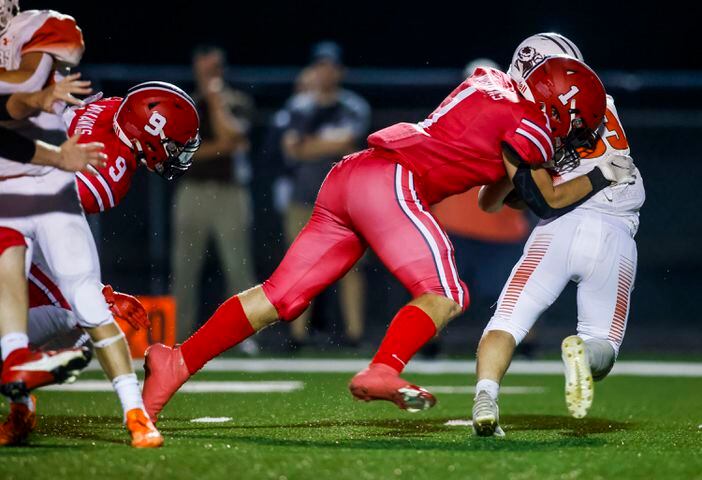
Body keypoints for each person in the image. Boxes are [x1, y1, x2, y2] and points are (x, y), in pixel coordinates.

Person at [142, 55, 632, 422]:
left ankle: (177, 361)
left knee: (279, 296)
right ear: (560, 104)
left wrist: (531, 178)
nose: (577, 131)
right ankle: (382, 367)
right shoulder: (532, 125)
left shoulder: (489, 84)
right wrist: (600, 177)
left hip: (350, 176)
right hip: (392, 183)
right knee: (445, 292)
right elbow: (543, 201)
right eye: (578, 120)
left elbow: (492, 196)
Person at [0, 80, 200, 448]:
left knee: (61, 314)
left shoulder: (114, 108)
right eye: (173, 144)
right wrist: (100, 295)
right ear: (148, 133)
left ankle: (20, 398)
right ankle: (26, 392)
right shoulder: (111, 174)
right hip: (23, 204)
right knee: (74, 315)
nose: (177, 153)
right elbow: (50, 220)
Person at [471, 33, 645, 437]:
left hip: (558, 228)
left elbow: (496, 201)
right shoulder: (599, 101)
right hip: (616, 229)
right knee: (603, 343)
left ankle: (485, 394)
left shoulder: (526, 118)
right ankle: (584, 353)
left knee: (507, 320)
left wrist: (509, 165)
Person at [279, 42, 371, 347]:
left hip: (344, 199)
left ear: (340, 71)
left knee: (352, 268)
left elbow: (352, 145)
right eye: (321, 66)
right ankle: (296, 335)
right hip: (304, 197)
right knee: (298, 266)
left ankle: (354, 334)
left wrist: (311, 145)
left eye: (331, 66)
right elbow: (291, 148)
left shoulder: (354, 106)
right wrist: (329, 144)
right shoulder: (299, 106)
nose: (326, 72)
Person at [170, 46, 256, 344]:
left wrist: (217, 101)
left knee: (238, 267)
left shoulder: (237, 101)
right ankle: (179, 337)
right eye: (205, 69)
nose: (210, 75)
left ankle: (247, 338)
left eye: (214, 68)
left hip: (230, 194)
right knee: (184, 269)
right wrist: (220, 145)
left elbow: (233, 136)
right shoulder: (186, 105)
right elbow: (180, 154)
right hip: (192, 192)